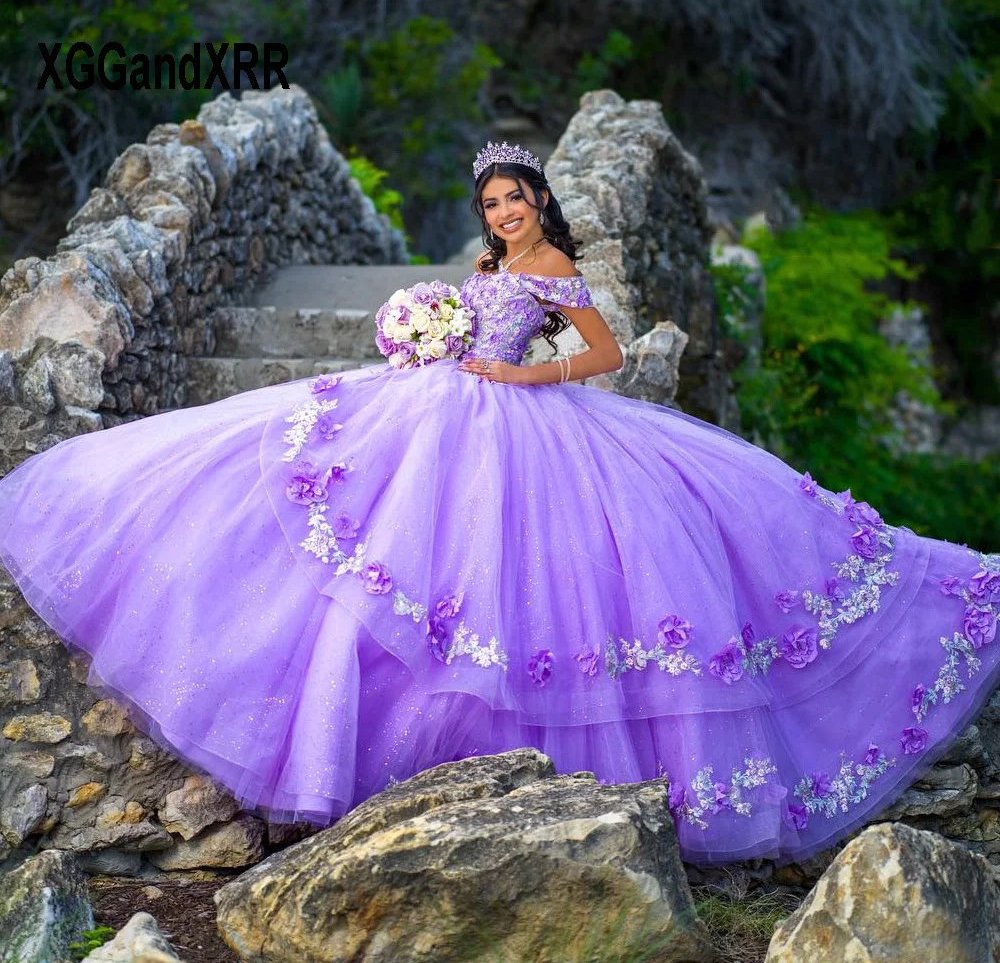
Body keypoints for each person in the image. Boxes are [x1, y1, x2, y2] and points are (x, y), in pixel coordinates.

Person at [0, 140, 997, 868]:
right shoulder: (483, 267)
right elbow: (462, 326)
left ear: (540, 203)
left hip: (521, 422)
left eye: (516, 198)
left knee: (535, 592)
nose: (504, 211)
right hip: (438, 408)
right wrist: (424, 342)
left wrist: (509, 376)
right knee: (352, 531)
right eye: (492, 200)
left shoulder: (555, 270)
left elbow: (600, 357)